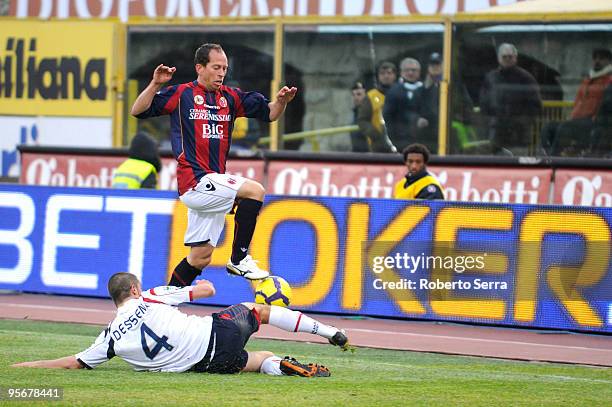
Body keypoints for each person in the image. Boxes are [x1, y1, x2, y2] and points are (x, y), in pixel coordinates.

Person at [130, 43, 297, 284]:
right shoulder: (181, 94)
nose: (221, 73)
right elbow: (138, 110)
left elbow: (270, 113)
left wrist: (282, 102)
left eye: (225, 68)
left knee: (199, 257)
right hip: (195, 180)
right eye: (216, 67)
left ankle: (162, 305)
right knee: (255, 190)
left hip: (212, 184)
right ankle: (239, 260)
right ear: (200, 67)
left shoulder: (231, 97)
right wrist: (156, 84)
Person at [12, 272, 350, 377]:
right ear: (134, 290)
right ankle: (330, 332)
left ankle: (284, 366)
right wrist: (195, 284)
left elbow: (74, 362)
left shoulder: (108, 338)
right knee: (255, 309)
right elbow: (208, 290)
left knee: (259, 359)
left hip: (205, 365)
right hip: (217, 333)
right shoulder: (153, 296)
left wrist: (29, 364)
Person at [543, 48, 612, 156]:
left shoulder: (609, 81)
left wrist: (596, 118)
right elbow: (578, 102)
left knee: (565, 128)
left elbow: (606, 105)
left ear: (609, 62)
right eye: (595, 58)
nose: (597, 61)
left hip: (595, 122)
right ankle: (546, 155)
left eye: (601, 58)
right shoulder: (587, 80)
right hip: (578, 120)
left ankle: (554, 159)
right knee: (548, 128)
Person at [479, 43, 542, 155]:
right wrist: (489, 121)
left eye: (510, 56)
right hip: (496, 130)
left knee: (518, 164)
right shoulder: (490, 78)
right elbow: (484, 103)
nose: (507, 59)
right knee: (495, 163)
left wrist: (523, 122)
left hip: (519, 133)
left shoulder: (526, 78)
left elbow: (535, 105)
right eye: (504, 57)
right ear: (498, 58)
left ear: (515, 58)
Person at [383, 57, 428, 153]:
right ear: (402, 72)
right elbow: (388, 116)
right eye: (407, 70)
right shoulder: (393, 91)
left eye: (414, 70)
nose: (410, 73)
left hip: (424, 140)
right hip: (400, 139)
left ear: (419, 72)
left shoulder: (426, 90)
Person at [356, 61, 397, 153]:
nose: (386, 76)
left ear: (394, 75)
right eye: (383, 73)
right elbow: (362, 120)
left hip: (399, 140)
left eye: (389, 73)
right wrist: (376, 135)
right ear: (378, 76)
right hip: (378, 145)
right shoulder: (371, 96)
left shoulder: (400, 94)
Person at [418, 53, 443, 153]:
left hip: (446, 130)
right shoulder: (421, 86)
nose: (435, 67)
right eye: (432, 65)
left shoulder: (452, 83)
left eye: (438, 64)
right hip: (426, 133)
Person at [349, 81, 370, 152]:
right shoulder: (355, 113)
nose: (355, 97)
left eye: (359, 94)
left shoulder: (371, 112)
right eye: (353, 95)